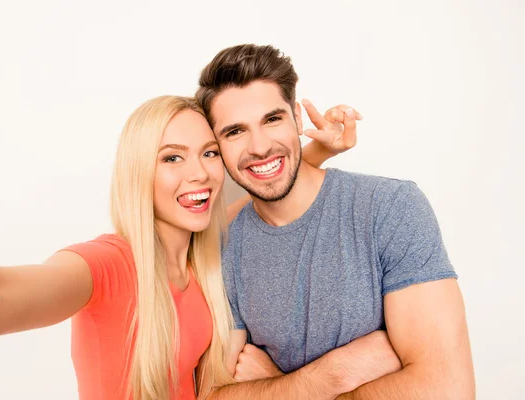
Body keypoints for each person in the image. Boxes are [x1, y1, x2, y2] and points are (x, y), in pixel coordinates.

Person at [0, 95, 354, 399]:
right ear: (138, 172)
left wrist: (318, 148)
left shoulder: (199, 252)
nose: (200, 174)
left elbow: (254, 189)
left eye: (208, 153)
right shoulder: (108, 264)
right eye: (171, 158)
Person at [195, 44, 476, 399]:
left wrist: (274, 384)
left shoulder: (390, 208)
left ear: (297, 119)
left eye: (272, 119)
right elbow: (212, 394)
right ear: (217, 146)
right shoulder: (224, 248)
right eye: (235, 132)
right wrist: (335, 375)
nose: (260, 146)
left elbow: (448, 391)